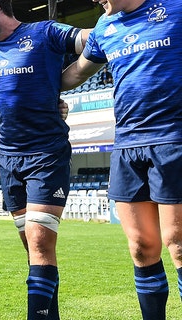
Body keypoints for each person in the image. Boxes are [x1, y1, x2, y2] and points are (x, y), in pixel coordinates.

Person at [0, 1, 89, 319]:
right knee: (33, 249)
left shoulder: (44, 32)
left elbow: (93, 40)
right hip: (9, 159)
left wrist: (66, 82)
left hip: (47, 153)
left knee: (40, 242)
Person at [61, 1, 182, 319]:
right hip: (128, 146)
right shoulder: (104, 26)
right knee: (142, 248)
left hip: (174, 140)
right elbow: (76, 73)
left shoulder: (175, 8)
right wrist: (32, 88)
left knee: (178, 243)